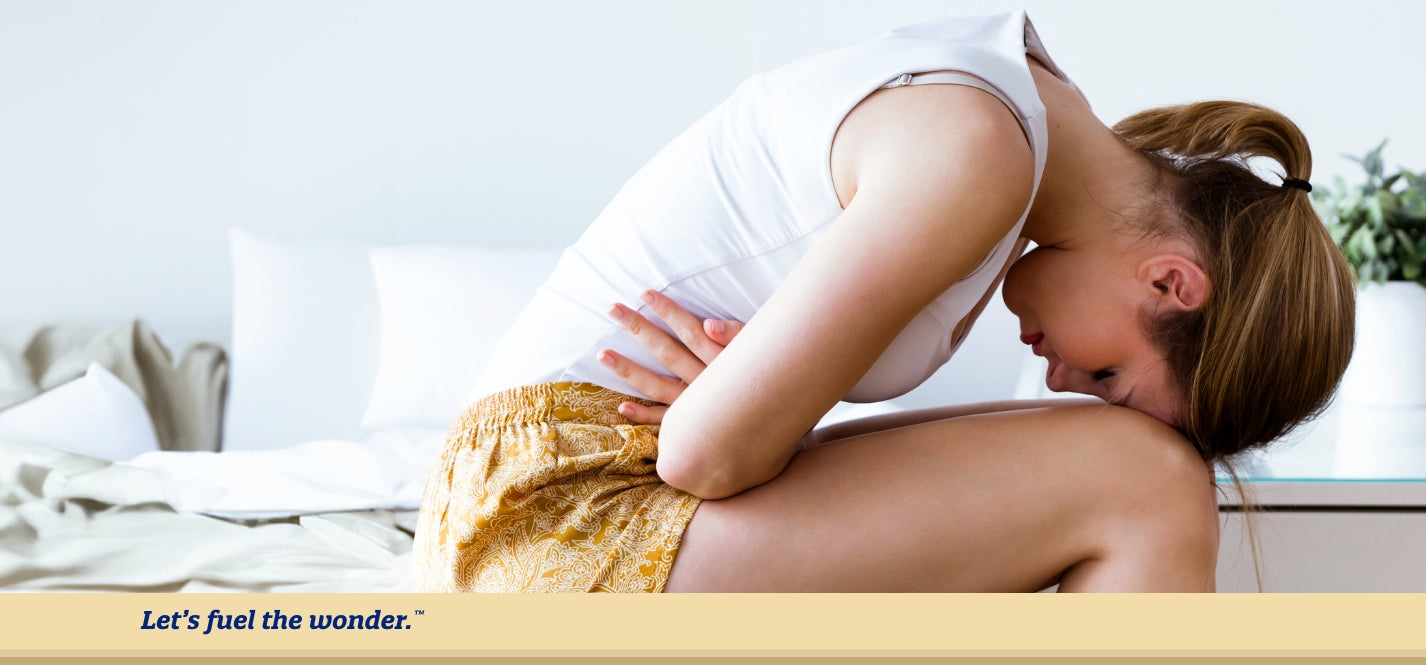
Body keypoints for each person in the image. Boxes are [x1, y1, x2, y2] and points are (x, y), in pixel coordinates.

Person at [412, 10, 1353, 593]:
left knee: (1145, 467)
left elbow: (733, 443)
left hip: (572, 492)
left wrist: (748, 409)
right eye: (1106, 372)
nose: (1061, 376)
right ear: (1171, 283)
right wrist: (732, 421)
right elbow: (703, 450)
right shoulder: (978, 149)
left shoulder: (1015, 121)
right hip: (552, 522)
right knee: (1150, 481)